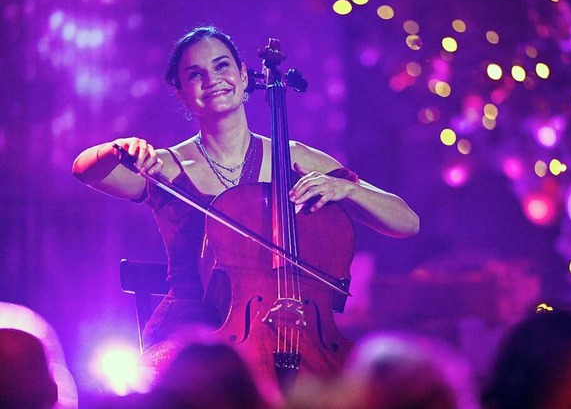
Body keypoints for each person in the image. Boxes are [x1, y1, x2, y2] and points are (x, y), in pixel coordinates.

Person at [72, 25, 419, 385]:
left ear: (242, 75)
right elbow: (85, 171)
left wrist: (348, 189)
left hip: (295, 329)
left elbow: (406, 222)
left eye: (222, 67)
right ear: (181, 92)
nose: (213, 80)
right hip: (194, 333)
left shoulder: (293, 156)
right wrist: (116, 149)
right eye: (196, 74)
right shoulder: (165, 166)